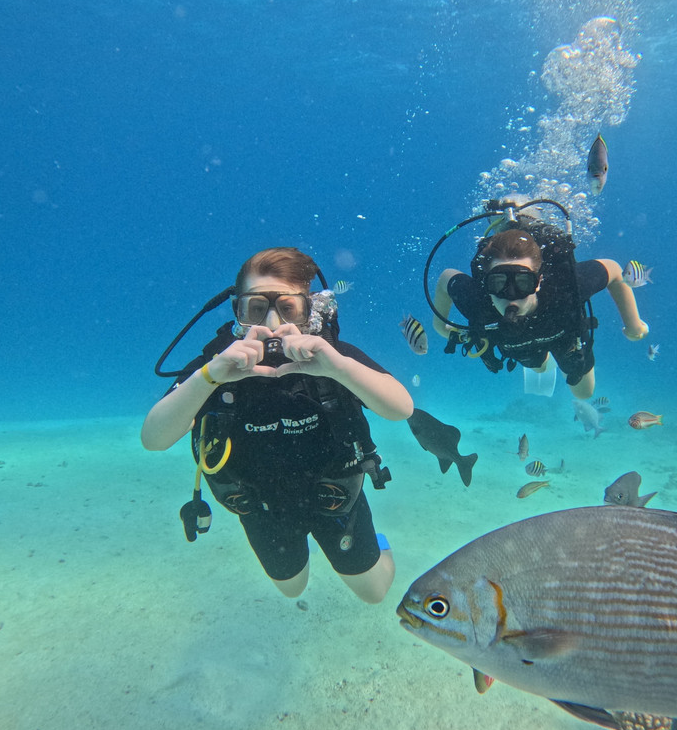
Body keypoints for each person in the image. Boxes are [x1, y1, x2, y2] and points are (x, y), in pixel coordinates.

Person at [142, 247, 413, 604]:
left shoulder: (330, 356)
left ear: (310, 310)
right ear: (237, 311)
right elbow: (154, 439)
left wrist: (338, 368)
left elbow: (401, 408)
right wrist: (210, 377)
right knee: (292, 589)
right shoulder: (216, 366)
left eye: (287, 308)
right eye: (256, 309)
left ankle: (378, 546)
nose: (270, 324)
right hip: (261, 508)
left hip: (334, 496)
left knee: (374, 593)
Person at [430, 199, 647, 399]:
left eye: (523, 282)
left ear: (539, 280)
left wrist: (633, 324)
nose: (511, 296)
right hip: (520, 346)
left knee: (584, 394)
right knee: (537, 366)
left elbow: (616, 271)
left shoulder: (566, 288)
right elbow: (445, 278)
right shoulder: (478, 301)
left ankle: (545, 362)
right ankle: (542, 363)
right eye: (498, 283)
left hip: (564, 339)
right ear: (486, 283)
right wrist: (440, 326)